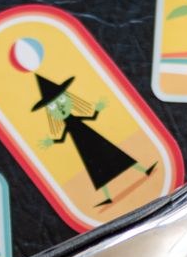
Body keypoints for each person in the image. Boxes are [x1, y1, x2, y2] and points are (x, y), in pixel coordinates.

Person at [34, 74, 157, 206]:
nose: (60, 107)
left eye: (62, 99)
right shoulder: (67, 124)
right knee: (97, 169)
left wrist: (97, 109)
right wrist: (51, 141)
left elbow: (91, 118)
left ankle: (144, 170)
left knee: (117, 156)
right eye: (52, 106)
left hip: (93, 139)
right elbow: (62, 138)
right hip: (84, 147)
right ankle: (108, 197)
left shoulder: (74, 119)